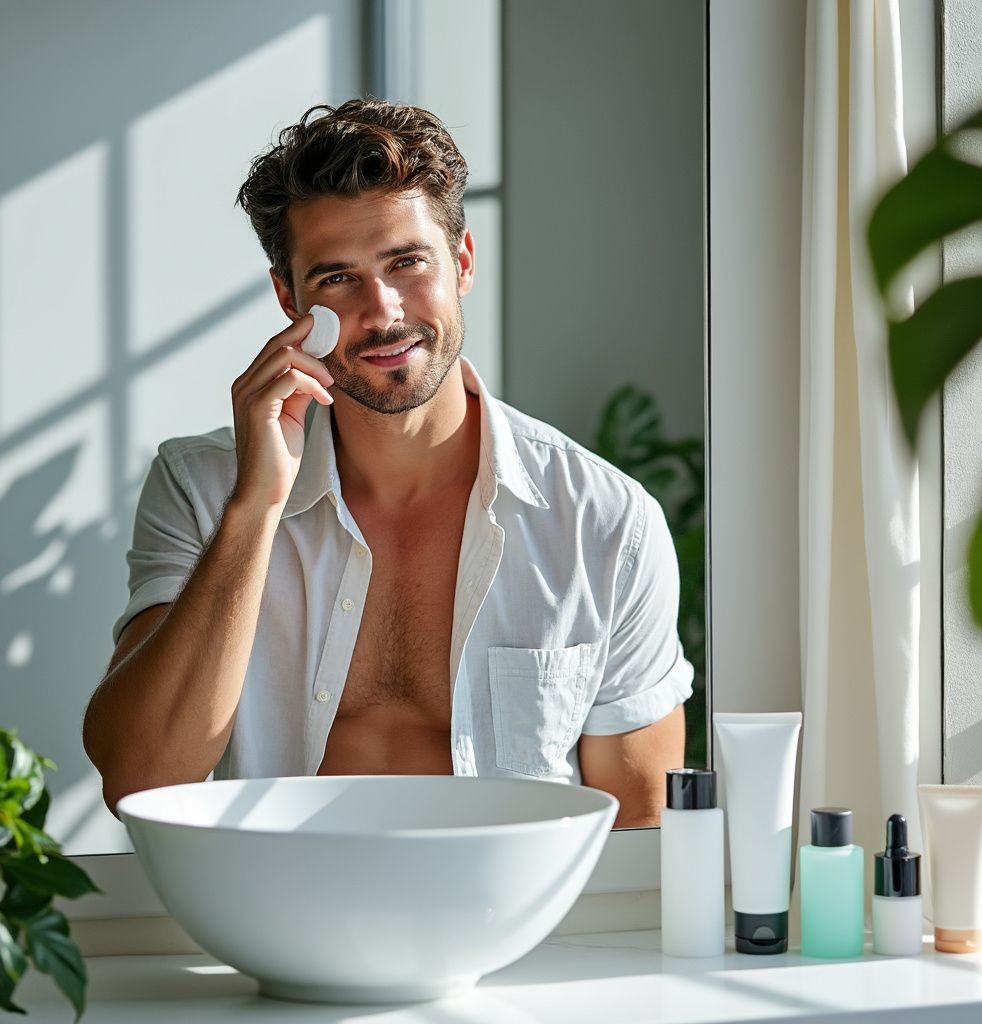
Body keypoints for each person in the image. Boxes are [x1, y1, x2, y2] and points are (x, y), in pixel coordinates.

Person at [83, 99, 694, 828]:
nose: (382, 312)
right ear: (289, 299)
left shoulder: (604, 523)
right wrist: (256, 508)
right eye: (338, 279)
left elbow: (639, 823)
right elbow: (140, 778)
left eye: (407, 263)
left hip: (506, 933)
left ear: (462, 261)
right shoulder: (204, 488)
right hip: (277, 928)